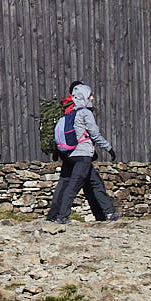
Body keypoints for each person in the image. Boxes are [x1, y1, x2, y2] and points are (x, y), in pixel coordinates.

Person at [47, 82, 119, 224]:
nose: (92, 98)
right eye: (90, 95)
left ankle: (110, 212)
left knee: (95, 183)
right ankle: (62, 217)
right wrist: (109, 148)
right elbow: (95, 134)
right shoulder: (85, 113)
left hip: (71, 155)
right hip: (83, 156)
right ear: (84, 96)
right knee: (73, 186)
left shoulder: (69, 114)